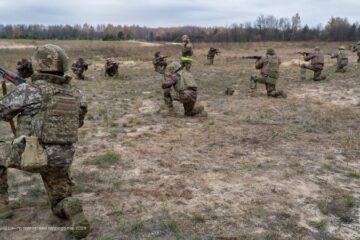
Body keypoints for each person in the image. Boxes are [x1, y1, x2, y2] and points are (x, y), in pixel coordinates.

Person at [0, 44, 90, 239]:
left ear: (37, 64)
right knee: (59, 201)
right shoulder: (78, 94)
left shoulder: (29, 90)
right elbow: (78, 123)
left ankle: (2, 206)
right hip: (61, 161)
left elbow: (3, 113)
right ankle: (69, 207)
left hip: (31, 157)